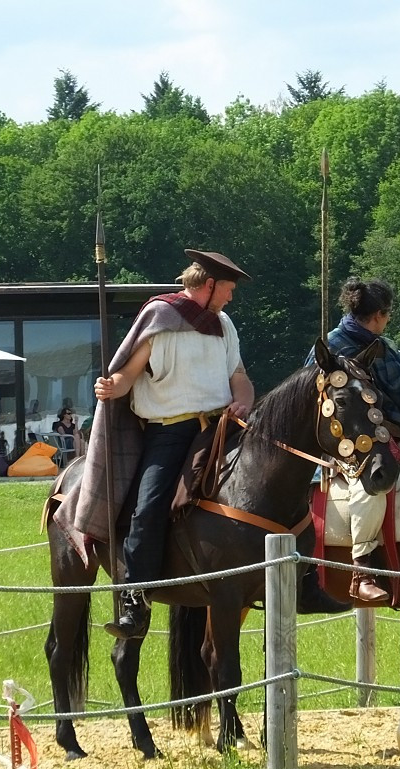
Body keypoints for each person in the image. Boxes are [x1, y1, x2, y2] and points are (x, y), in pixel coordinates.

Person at [88, 248, 257, 640]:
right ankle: (135, 598)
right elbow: (128, 375)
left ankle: (299, 574)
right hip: (171, 432)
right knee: (148, 508)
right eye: (227, 289)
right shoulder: (160, 318)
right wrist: (112, 385)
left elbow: (240, 378)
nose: (230, 298)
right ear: (209, 285)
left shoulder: (223, 323)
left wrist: (244, 400)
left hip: (220, 428)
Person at [307, 277, 400, 602]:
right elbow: (315, 399)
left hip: (392, 432)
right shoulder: (332, 346)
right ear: (378, 315)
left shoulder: (383, 346)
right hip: (347, 440)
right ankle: (362, 572)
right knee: (372, 485)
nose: (388, 320)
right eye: (388, 314)